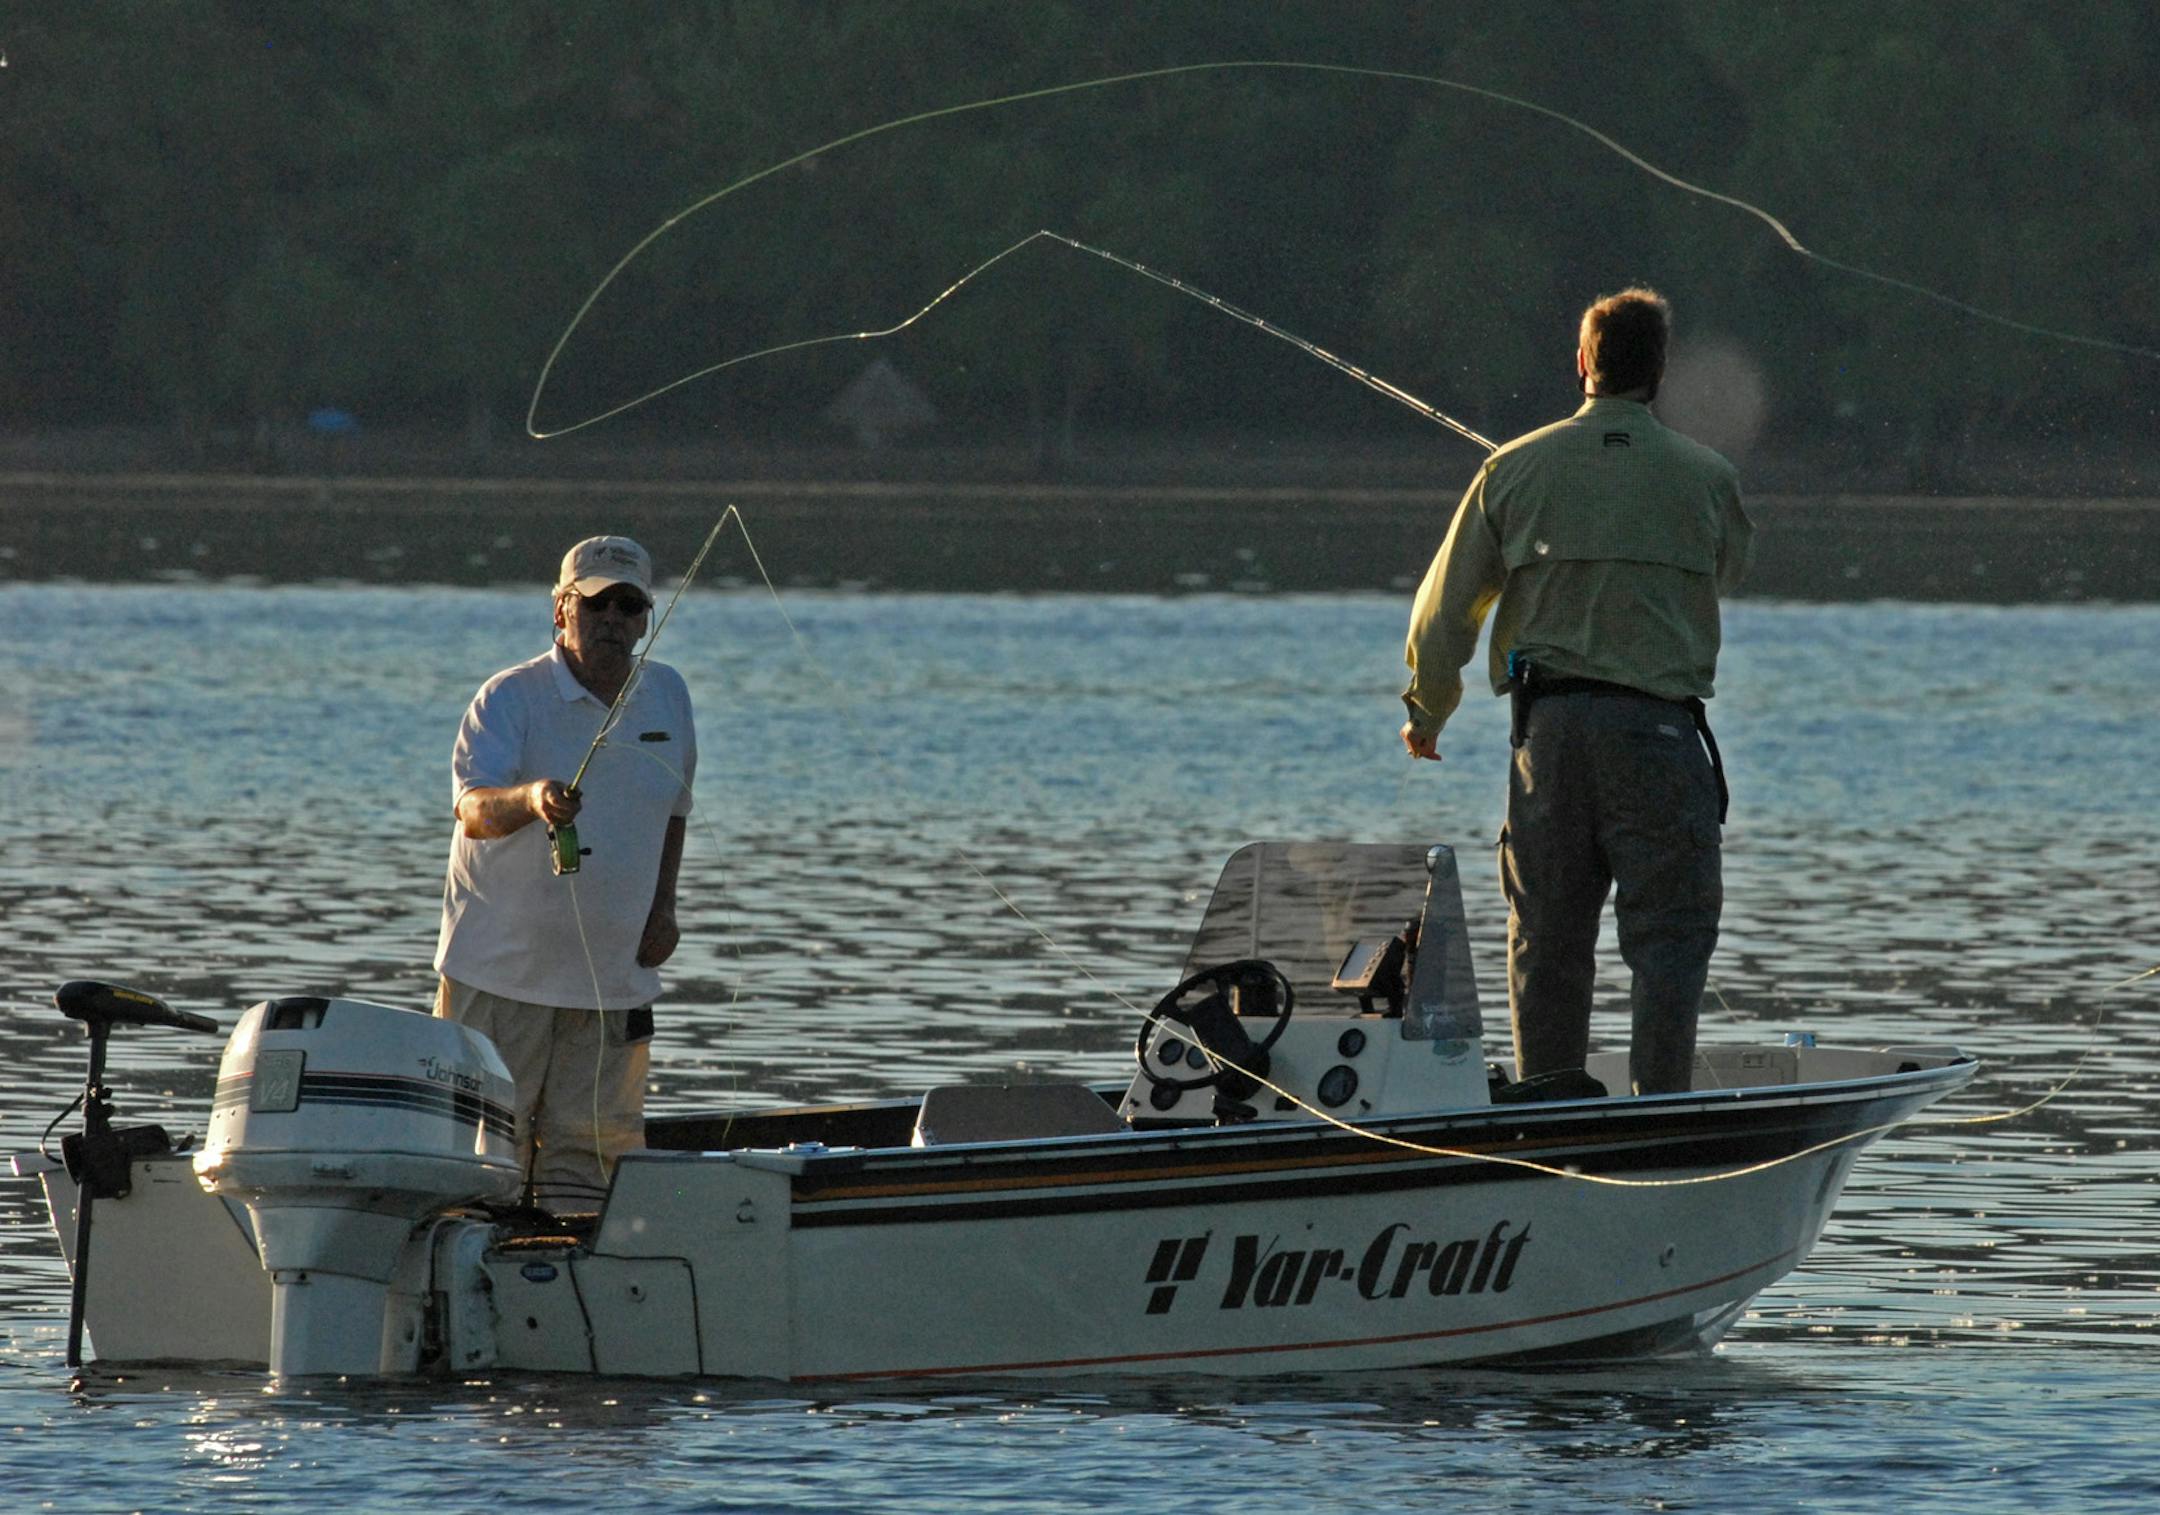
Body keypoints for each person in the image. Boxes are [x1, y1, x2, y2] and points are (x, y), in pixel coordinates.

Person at [1399, 288, 1753, 1096]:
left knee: (1548, 940)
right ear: (1659, 370)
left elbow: (1445, 605)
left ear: (1583, 363)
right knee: (1668, 939)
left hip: (1548, 738)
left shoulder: (1511, 469)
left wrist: (1428, 709)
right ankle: (1660, 1111)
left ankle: (1549, 1114)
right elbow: (1733, 567)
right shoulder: (1709, 478)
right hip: (1659, 739)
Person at [433, 535, 697, 1207]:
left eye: (628, 604)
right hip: (501, 977)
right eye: (594, 602)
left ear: (644, 617)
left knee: (593, 1164)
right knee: (483, 1158)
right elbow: (472, 810)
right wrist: (532, 798)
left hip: (614, 982)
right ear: (560, 611)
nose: (612, 617)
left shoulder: (667, 692)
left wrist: (665, 908)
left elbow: (675, 810)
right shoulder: (508, 698)